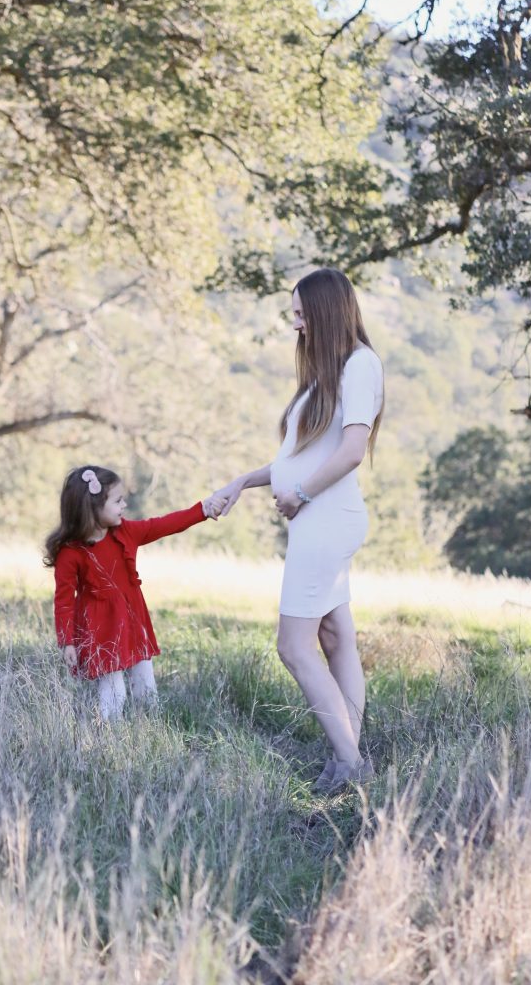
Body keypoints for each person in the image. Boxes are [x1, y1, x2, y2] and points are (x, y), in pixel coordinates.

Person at [215, 268, 384, 794]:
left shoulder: (361, 366)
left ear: (328, 311)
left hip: (326, 521)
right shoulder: (325, 375)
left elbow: (352, 451)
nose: (296, 325)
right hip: (317, 521)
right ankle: (346, 754)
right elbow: (294, 458)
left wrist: (302, 494)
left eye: (302, 314)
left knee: (293, 645)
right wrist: (245, 480)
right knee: (335, 637)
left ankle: (351, 764)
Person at [45, 466, 226, 721]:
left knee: (146, 685)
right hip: (101, 628)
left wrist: (202, 510)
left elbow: (163, 525)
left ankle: (149, 730)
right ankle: (111, 740)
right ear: (92, 507)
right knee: (114, 690)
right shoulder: (71, 552)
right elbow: (63, 600)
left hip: (132, 619)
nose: (125, 505)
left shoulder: (126, 531)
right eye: (118, 501)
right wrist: (67, 641)